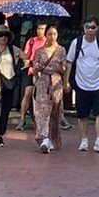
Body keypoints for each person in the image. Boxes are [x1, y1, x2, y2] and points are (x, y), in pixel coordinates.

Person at [67, 17, 99, 152]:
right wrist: (66, 81)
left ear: (97, 29)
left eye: (93, 27)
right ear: (83, 28)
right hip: (81, 84)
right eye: (87, 27)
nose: (90, 30)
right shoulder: (76, 43)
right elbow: (69, 62)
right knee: (82, 115)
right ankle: (84, 140)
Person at [29, 22, 71, 153]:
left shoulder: (61, 50)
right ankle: (44, 138)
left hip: (56, 82)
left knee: (55, 112)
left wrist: (65, 80)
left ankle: (53, 138)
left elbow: (64, 68)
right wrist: (36, 69)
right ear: (45, 35)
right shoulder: (39, 51)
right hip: (43, 82)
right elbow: (34, 68)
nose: (52, 36)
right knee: (41, 111)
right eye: (49, 34)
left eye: (54, 34)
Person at [0, 17, 21, 143]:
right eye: (0, 35)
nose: (3, 38)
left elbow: (25, 57)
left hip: (9, 83)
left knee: (5, 110)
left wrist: (27, 62)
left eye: (5, 35)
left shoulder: (14, 50)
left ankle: (0, 134)